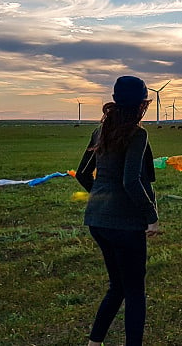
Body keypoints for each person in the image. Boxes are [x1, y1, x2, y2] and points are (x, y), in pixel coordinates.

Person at [76, 76, 159, 346]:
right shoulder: (137, 134)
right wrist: (151, 217)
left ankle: (94, 342)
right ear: (141, 105)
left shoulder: (99, 132)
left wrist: (102, 198)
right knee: (135, 292)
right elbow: (131, 180)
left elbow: (82, 174)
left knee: (118, 287)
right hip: (126, 226)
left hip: (97, 222)